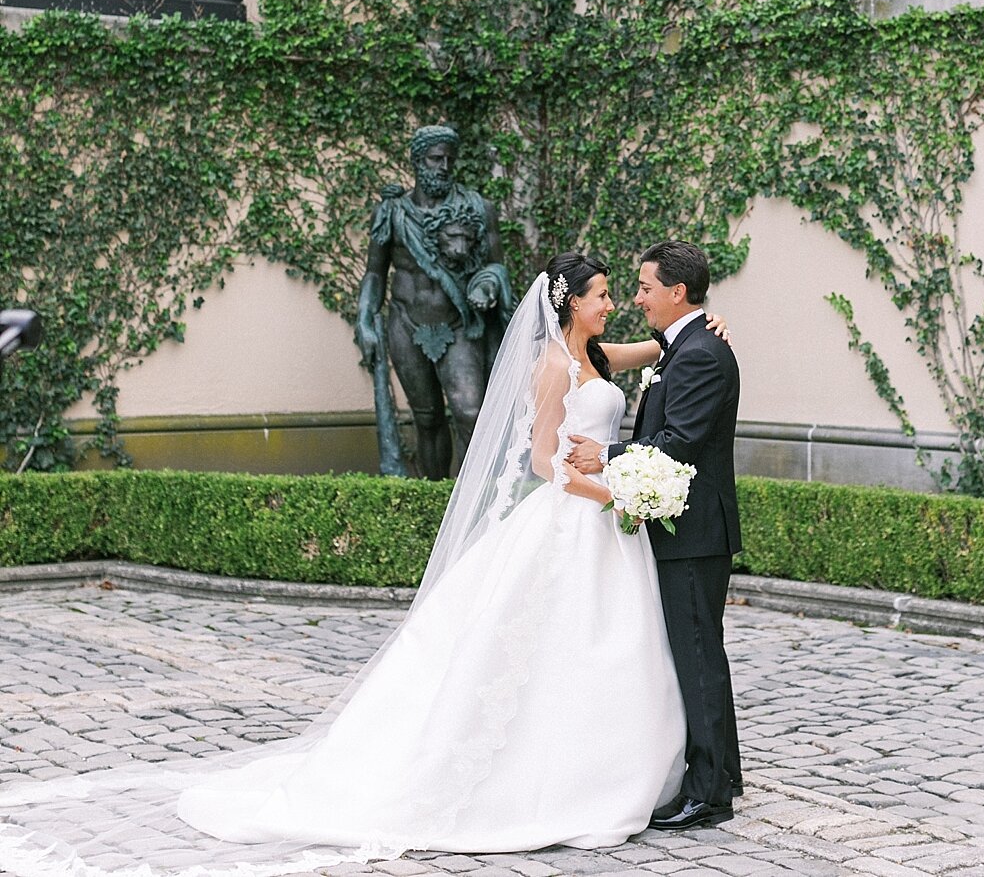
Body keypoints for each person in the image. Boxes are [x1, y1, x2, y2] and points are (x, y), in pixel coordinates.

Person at [0, 253, 734, 875]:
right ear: (569, 304)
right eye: (603, 294)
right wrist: (602, 485)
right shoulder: (551, 367)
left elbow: (671, 350)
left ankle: (631, 768)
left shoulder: (599, 356)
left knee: (616, 652)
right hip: (571, 516)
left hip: (608, 527)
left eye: (621, 291)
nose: (616, 303)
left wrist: (707, 327)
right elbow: (543, 460)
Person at [569, 240, 742, 831]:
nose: (636, 298)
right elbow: (594, 351)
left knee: (697, 655)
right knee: (694, 653)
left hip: (693, 532)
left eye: (644, 288)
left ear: (677, 291)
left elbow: (679, 443)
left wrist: (607, 455)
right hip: (679, 529)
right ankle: (717, 777)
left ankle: (709, 793)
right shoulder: (683, 344)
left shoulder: (698, 354)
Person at [354, 124, 514, 479]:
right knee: (426, 418)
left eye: (448, 160)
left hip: (458, 323)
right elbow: (375, 273)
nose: (443, 166)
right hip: (406, 322)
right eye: (435, 159)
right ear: (417, 161)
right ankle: (435, 495)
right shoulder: (393, 212)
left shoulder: (478, 208)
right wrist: (365, 318)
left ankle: (474, 500)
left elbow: (495, 266)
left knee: (470, 411)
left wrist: (488, 284)